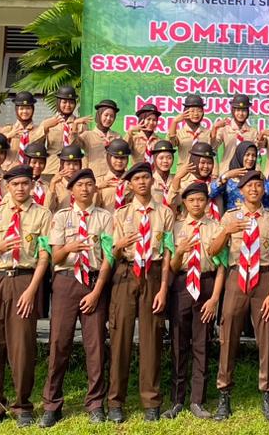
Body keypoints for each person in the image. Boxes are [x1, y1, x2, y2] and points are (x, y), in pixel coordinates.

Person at [0, 164, 53, 430]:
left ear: (32, 185)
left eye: (25, 183)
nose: (20, 188)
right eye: (15, 184)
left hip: (24, 280)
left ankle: (22, 405)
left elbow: (44, 257)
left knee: (22, 347)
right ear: (8, 186)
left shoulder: (42, 214)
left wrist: (32, 290)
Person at [208, 170, 269, 421]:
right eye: (249, 186)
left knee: (267, 338)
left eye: (258, 185)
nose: (254, 189)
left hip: (263, 278)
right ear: (240, 191)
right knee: (228, 335)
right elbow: (212, 251)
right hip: (236, 278)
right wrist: (226, 231)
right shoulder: (229, 217)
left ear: (263, 190)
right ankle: (224, 395)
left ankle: (267, 396)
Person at [41, 168, 114, 426]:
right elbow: (54, 257)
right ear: (71, 190)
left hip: (94, 282)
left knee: (96, 346)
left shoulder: (105, 217)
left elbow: (108, 258)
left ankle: (95, 404)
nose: (85, 188)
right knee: (59, 343)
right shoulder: (61, 217)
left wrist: (97, 292)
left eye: (90, 184)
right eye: (80, 185)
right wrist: (69, 248)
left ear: (95, 188)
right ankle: (52, 404)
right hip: (66, 281)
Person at [106, 162, 175, 423]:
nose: (143, 182)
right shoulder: (120, 214)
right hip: (126, 273)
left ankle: (151, 400)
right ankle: (116, 401)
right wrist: (119, 246)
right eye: (137, 179)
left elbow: (167, 254)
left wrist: (163, 288)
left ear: (152, 181)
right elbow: (111, 253)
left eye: (146, 177)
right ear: (130, 184)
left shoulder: (164, 213)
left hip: (153, 274)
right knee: (120, 337)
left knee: (151, 338)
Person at [164, 183, 227, 420]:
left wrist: (214, 299)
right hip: (181, 285)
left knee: (202, 344)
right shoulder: (176, 226)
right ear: (185, 203)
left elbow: (221, 266)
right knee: (178, 343)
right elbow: (172, 266)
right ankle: (177, 399)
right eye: (191, 200)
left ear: (207, 202)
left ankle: (197, 400)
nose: (196, 204)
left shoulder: (216, 227)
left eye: (201, 199)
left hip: (206, 283)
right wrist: (180, 251)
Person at [40, 85, 81, 175]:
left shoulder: (80, 123)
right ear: (58, 103)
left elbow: (82, 147)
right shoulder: (48, 122)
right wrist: (45, 128)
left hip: (73, 169)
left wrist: (74, 130)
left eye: (71, 102)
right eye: (64, 102)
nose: (68, 105)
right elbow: (38, 145)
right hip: (51, 168)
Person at [77, 99, 122, 181]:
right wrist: (75, 125)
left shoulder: (117, 137)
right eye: (106, 115)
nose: (108, 118)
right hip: (94, 179)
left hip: (112, 179)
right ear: (99, 115)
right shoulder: (88, 135)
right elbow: (73, 145)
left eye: (112, 116)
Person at [0, 91, 47, 169]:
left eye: (28, 108)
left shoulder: (39, 130)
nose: (25, 111)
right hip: (9, 170)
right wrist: (8, 136)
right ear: (16, 110)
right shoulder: (7, 129)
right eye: (21, 108)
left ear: (33, 110)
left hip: (31, 171)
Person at [212, 94, 258, 164]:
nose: (241, 114)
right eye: (238, 110)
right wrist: (214, 128)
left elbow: (257, 150)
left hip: (246, 169)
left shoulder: (253, 132)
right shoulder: (225, 129)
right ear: (233, 111)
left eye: (244, 110)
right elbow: (213, 146)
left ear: (248, 112)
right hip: (227, 168)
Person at [169, 94, 212, 164]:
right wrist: (174, 122)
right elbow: (172, 144)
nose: (196, 114)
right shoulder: (179, 133)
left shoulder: (208, 132)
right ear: (185, 113)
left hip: (203, 169)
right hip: (184, 170)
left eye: (199, 111)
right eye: (192, 111)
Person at [47, 142, 86, 212]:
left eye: (76, 164)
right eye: (68, 164)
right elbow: (48, 209)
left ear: (80, 166)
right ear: (62, 166)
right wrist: (52, 184)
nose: (72, 167)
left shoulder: (84, 185)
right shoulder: (55, 186)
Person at [97, 138, 132, 211]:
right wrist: (97, 188)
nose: (119, 161)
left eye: (123, 158)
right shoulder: (99, 181)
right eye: (116, 157)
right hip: (106, 218)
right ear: (109, 158)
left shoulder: (132, 181)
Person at [148, 139, 177, 207]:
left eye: (169, 158)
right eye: (161, 158)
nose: (165, 161)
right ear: (155, 159)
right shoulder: (149, 181)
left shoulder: (177, 180)